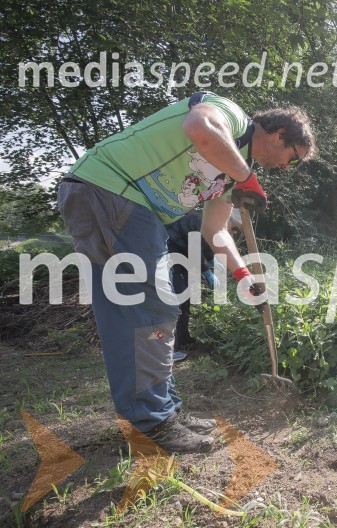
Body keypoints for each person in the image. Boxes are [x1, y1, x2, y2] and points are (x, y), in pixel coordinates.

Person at [57, 92, 317, 453]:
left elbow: (215, 231)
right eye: (294, 158)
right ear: (279, 135)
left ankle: (163, 412)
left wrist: (244, 277)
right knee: (151, 309)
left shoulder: (232, 171)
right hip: (112, 191)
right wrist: (245, 178)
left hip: (129, 206)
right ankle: (152, 424)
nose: (288, 168)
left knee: (148, 311)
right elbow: (199, 127)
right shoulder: (231, 116)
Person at [165, 210, 220, 362]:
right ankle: (171, 348)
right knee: (178, 296)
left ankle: (183, 338)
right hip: (169, 252)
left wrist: (213, 260)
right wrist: (207, 272)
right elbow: (195, 249)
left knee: (186, 296)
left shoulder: (211, 227)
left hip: (183, 255)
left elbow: (205, 246)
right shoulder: (199, 221)